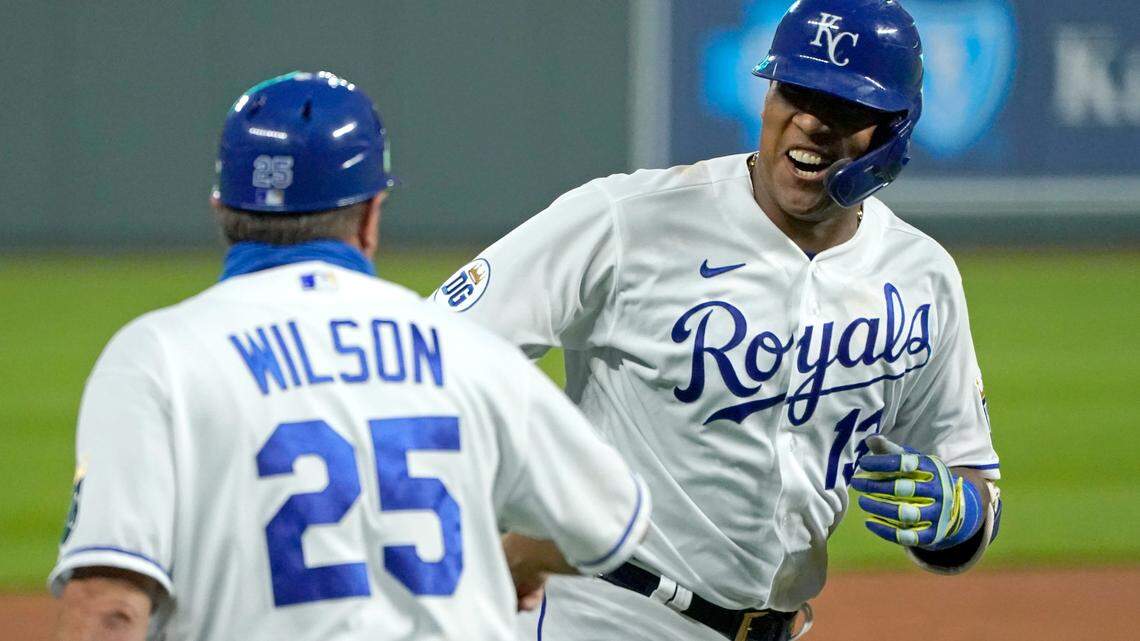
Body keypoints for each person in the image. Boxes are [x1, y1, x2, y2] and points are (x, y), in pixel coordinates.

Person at [430, 1, 1003, 639]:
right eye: (794, 90)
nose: (808, 121)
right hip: (606, 616)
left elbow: (971, 473)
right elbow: (438, 356)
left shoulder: (922, 277)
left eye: (841, 105)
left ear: (892, 134)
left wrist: (960, 512)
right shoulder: (628, 219)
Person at [49, 71, 651, 641]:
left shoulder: (160, 356)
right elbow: (613, 521)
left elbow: (108, 604)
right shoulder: (468, 350)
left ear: (222, 210)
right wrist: (512, 558)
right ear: (370, 214)